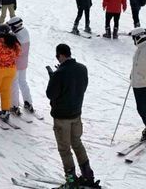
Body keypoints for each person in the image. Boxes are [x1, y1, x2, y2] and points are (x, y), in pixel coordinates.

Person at [46, 44, 100, 189]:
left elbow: (51, 94)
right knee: (77, 143)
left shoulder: (60, 73)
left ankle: (71, 181)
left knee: (64, 149)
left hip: (62, 117)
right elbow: (81, 87)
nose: (58, 59)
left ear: (61, 55)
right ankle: (88, 175)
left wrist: (54, 78)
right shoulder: (82, 69)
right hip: (76, 114)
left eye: (58, 56)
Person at [8, 17, 34, 115]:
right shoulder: (25, 31)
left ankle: (14, 105)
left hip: (16, 63)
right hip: (24, 62)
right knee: (23, 82)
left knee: (14, 84)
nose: (11, 29)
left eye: (11, 27)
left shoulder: (17, 37)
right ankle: (28, 102)